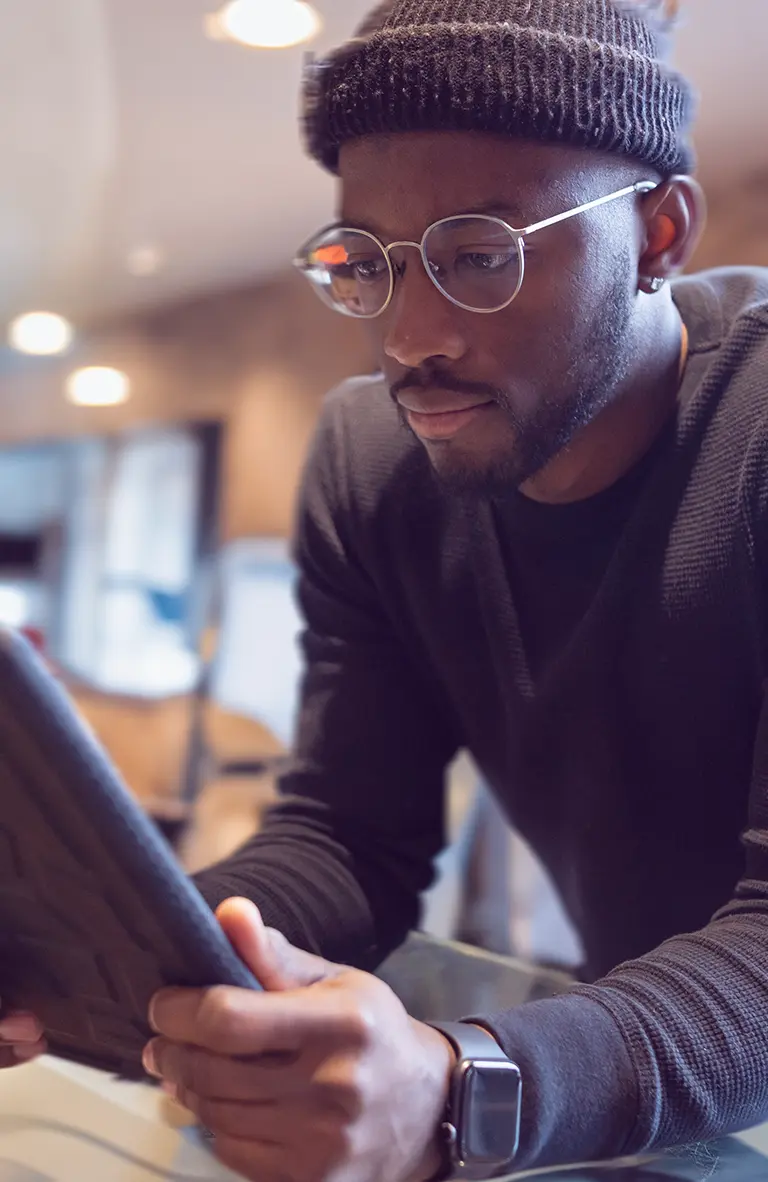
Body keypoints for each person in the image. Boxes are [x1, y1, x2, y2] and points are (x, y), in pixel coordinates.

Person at [8, 0, 768, 1178]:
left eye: (480, 256)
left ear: (659, 234)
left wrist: (460, 1085)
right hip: (657, 1069)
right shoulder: (371, 464)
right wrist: (98, 962)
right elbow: (350, 837)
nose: (410, 337)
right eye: (366, 263)